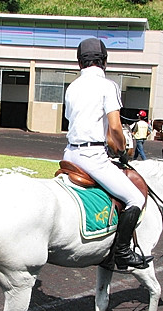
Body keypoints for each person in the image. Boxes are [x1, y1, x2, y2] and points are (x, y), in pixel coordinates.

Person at [64, 37, 151, 270]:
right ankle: (122, 252)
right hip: (92, 156)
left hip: (69, 154)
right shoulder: (108, 86)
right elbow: (114, 127)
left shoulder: (72, 87)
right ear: (103, 61)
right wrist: (121, 149)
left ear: (80, 62)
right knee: (136, 198)